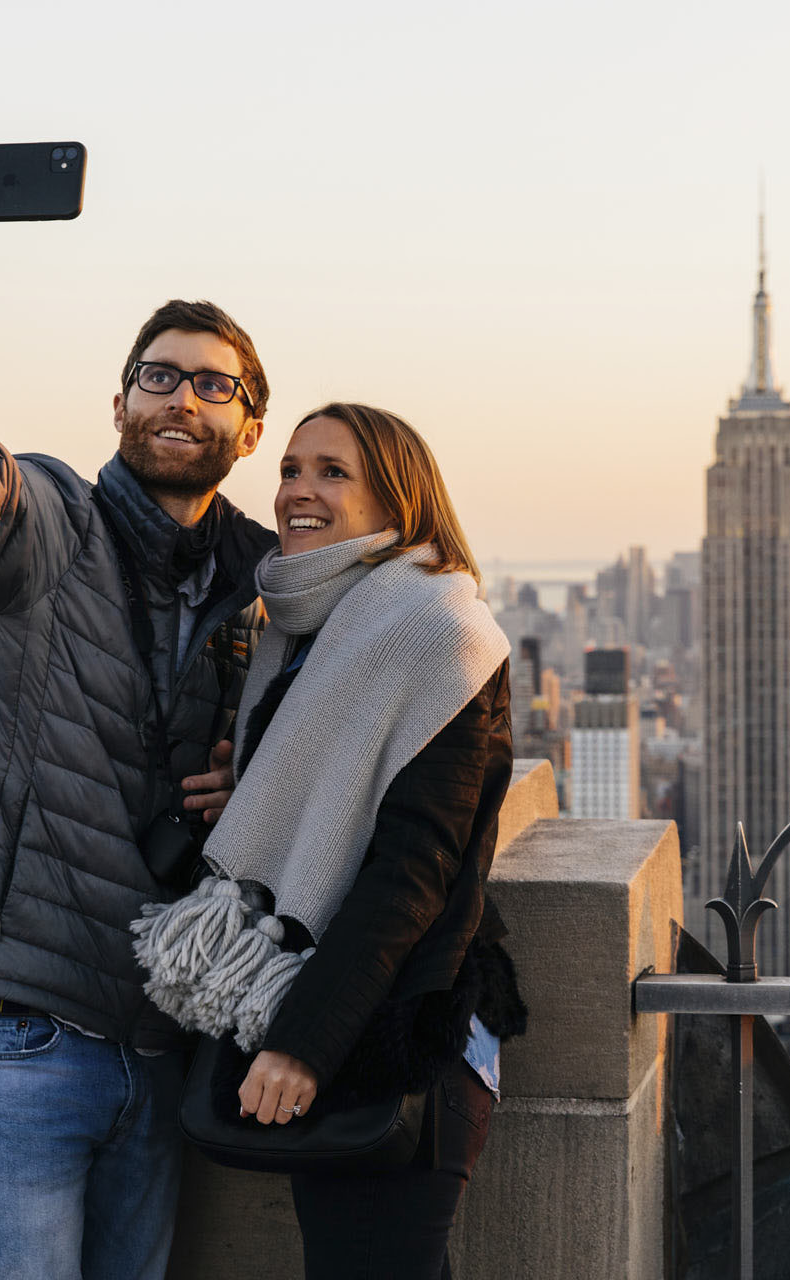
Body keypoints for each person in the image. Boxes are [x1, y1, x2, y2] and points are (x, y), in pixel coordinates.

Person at [0, 125, 273, 1279]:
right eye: (159, 373)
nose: (183, 395)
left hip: (162, 1035)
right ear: (121, 400)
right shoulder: (46, 525)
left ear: (251, 426)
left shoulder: (269, 586)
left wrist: (260, 777)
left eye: (214, 382)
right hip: (11, 1030)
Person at [137, 402, 528, 1278]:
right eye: (288, 469)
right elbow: (338, 800)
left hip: (397, 1030)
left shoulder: (438, 633)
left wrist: (302, 1043)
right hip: (337, 1011)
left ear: (400, 499)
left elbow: (412, 873)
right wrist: (255, 792)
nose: (298, 491)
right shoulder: (309, 634)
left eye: (332, 472)